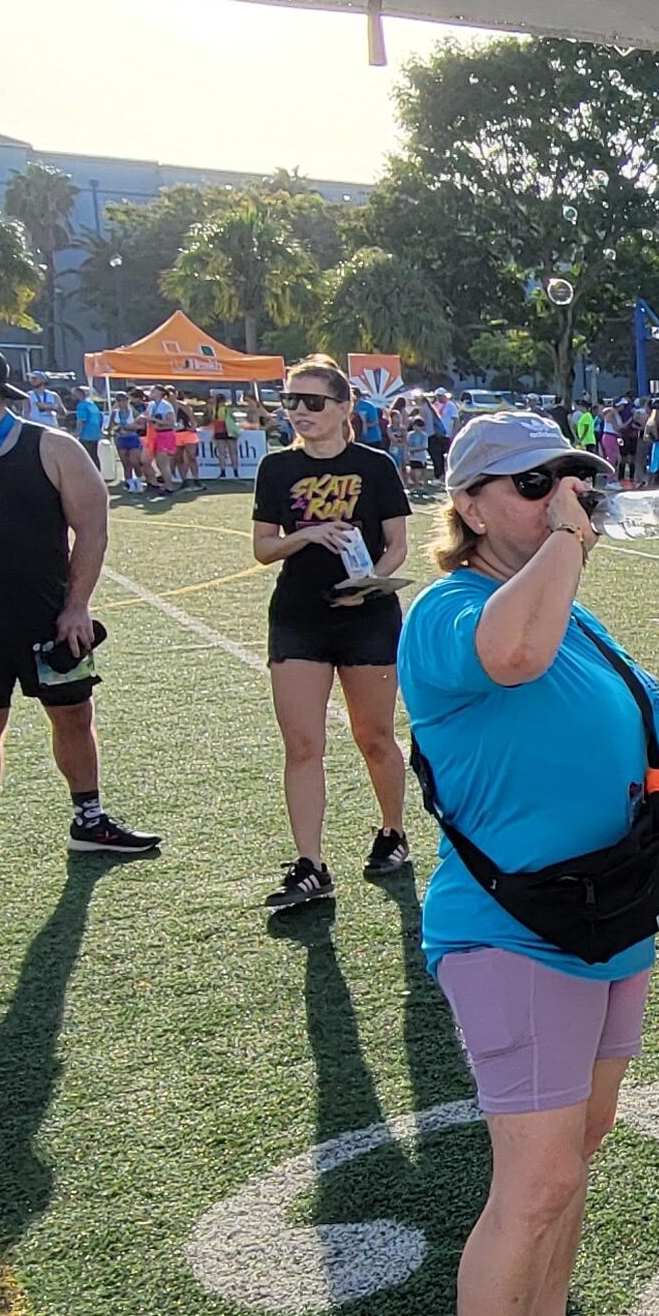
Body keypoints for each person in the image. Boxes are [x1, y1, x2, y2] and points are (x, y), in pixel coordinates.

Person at [401, 412, 659, 1316]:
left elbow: (606, 733)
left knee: (573, 1159)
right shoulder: (449, 614)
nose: (565, 499)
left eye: (576, 480)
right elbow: (515, 658)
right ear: (472, 506)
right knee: (532, 1183)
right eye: (536, 484)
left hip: (605, 918)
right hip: (515, 933)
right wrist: (567, 546)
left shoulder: (565, 605)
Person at [0, 337, 159, 883]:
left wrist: (77, 607)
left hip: (50, 621)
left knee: (73, 717)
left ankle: (89, 820)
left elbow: (92, 530)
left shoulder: (55, 447)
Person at [250, 355, 413, 914]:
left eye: (312, 402)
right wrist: (310, 533)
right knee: (302, 744)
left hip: (367, 616)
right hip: (298, 616)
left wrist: (375, 582)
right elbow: (264, 547)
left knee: (374, 737)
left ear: (345, 408)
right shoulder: (276, 468)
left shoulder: (375, 466)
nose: (299, 411)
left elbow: (397, 544)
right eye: (291, 401)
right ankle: (311, 864)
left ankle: (393, 831)